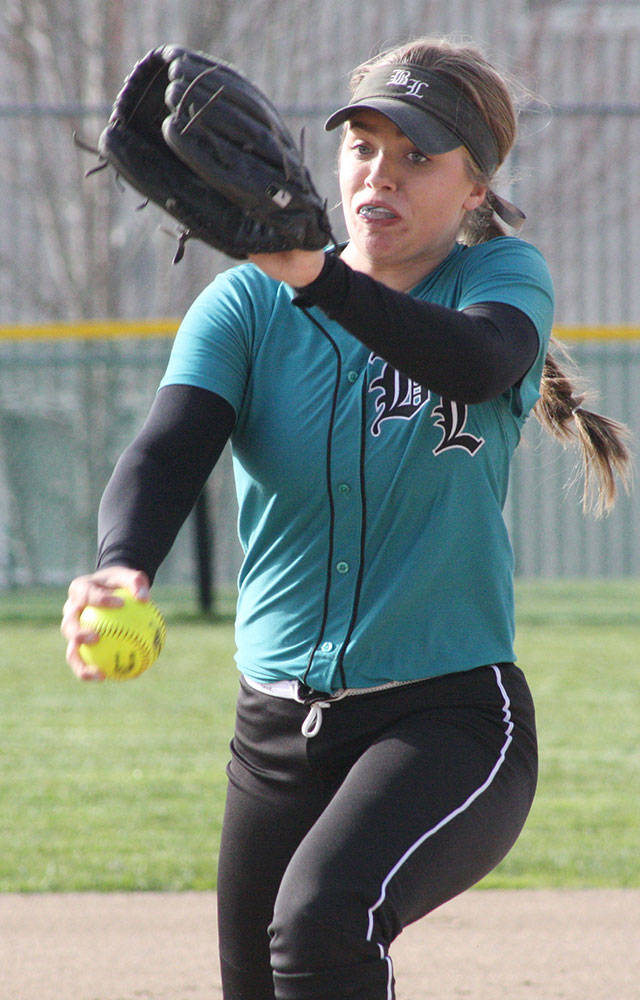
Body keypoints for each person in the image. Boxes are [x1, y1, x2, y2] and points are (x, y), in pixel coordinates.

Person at [61, 35, 631, 1000]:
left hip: (448, 718)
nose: (383, 173)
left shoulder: (501, 281)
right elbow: (167, 447)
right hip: (274, 730)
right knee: (263, 979)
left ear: (476, 191)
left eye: (418, 155)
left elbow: (477, 364)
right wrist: (122, 563)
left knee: (324, 924)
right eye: (363, 145)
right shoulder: (246, 302)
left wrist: (315, 278)